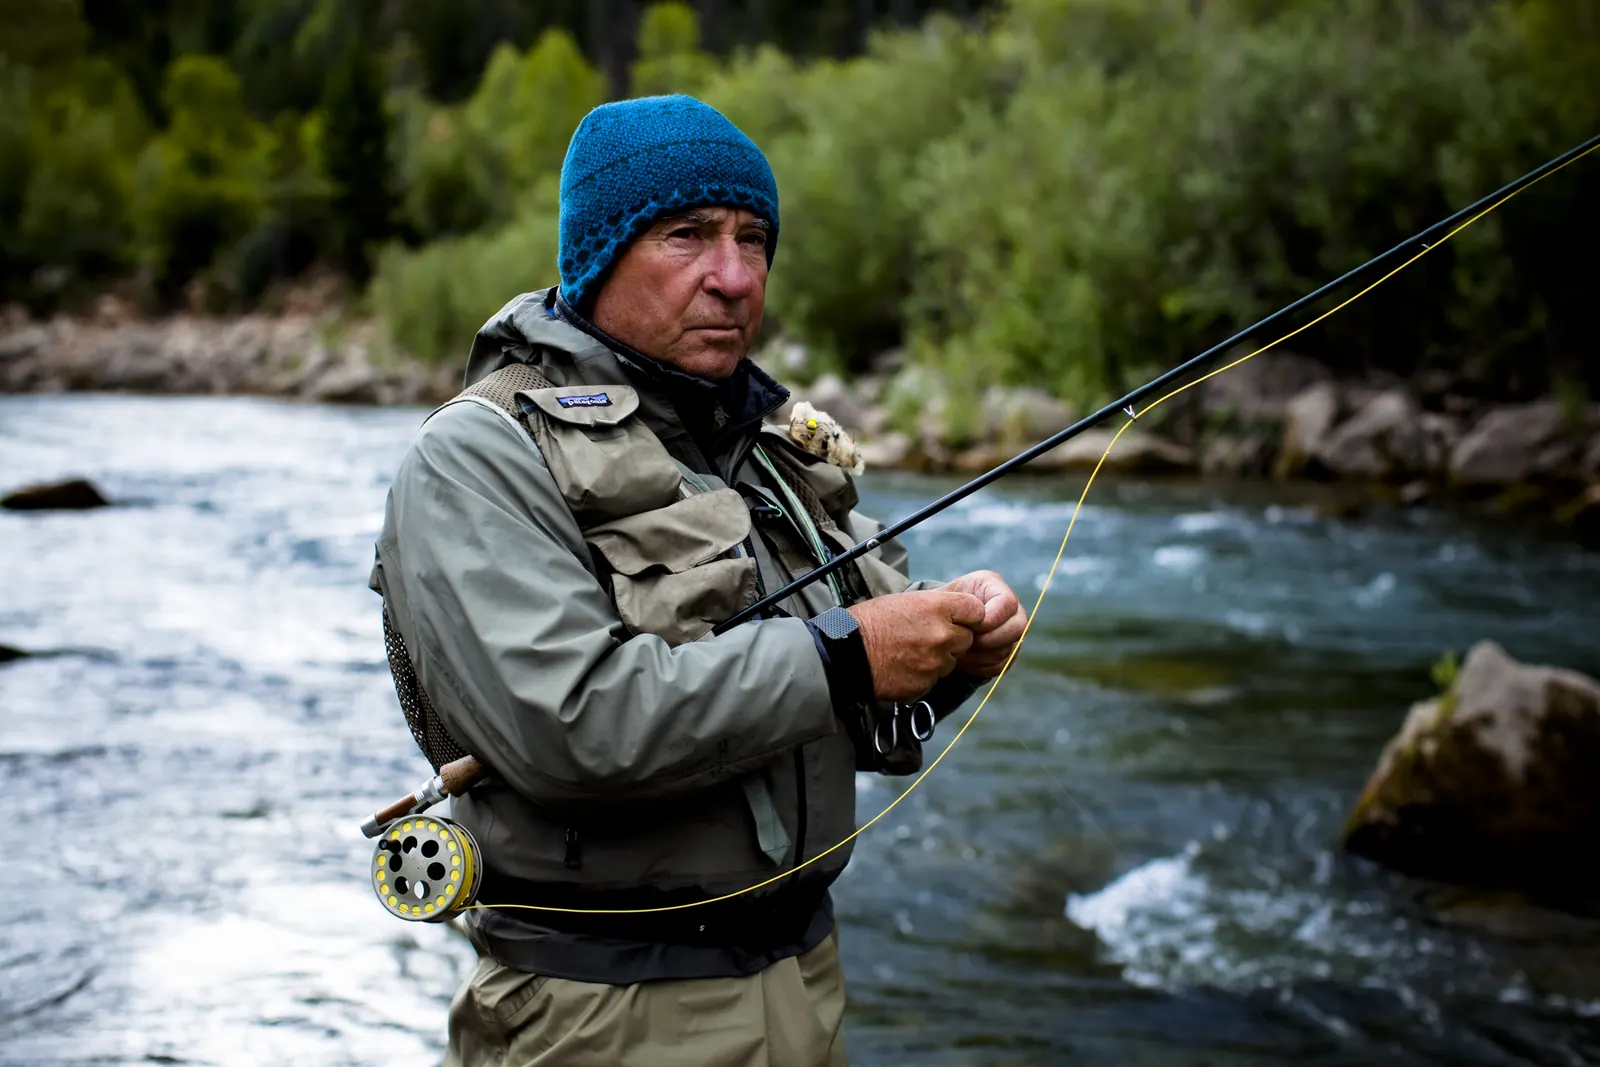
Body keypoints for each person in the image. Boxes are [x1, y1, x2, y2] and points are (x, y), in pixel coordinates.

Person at [370, 94, 1026, 1067]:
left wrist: (956, 648)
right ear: (596, 256)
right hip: (600, 1012)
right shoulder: (477, 455)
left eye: (753, 239)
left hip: (804, 983)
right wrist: (850, 656)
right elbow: (571, 727)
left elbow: (865, 697)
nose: (734, 276)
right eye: (687, 235)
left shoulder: (769, 448)